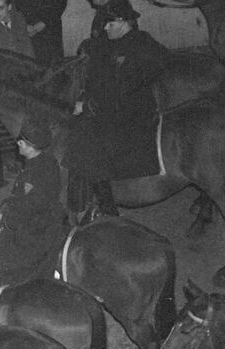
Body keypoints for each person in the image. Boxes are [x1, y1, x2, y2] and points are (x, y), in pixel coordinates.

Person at [74, 0, 168, 214]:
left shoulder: (141, 42)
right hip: (117, 105)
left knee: (90, 148)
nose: (105, 28)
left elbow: (120, 89)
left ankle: (108, 209)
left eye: (110, 24)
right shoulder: (112, 44)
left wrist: (87, 107)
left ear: (123, 22)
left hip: (132, 112)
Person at [0, 126, 68, 286]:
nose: (18, 144)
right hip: (41, 214)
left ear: (31, 147)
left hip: (39, 224)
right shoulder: (44, 160)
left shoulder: (35, 171)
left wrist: (7, 218)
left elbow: (32, 204)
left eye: (22, 142)